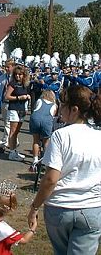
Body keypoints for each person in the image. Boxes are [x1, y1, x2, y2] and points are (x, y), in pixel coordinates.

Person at [28, 86, 101, 255]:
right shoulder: (98, 136)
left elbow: (51, 179)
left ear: (74, 109)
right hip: (91, 207)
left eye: (63, 105)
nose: (59, 108)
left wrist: (35, 207)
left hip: (60, 207)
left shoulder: (61, 135)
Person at [5, 65, 30, 161]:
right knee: (13, 131)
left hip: (22, 109)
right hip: (14, 109)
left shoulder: (25, 84)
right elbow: (7, 96)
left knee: (17, 132)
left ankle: (14, 151)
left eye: (20, 74)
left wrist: (27, 98)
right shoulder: (12, 84)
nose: (18, 76)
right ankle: (11, 152)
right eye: (16, 74)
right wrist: (19, 98)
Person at [28, 90, 57, 170]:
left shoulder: (39, 101)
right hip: (47, 120)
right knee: (46, 142)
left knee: (36, 140)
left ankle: (35, 160)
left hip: (35, 118)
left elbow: (35, 109)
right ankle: (45, 160)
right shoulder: (54, 105)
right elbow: (53, 115)